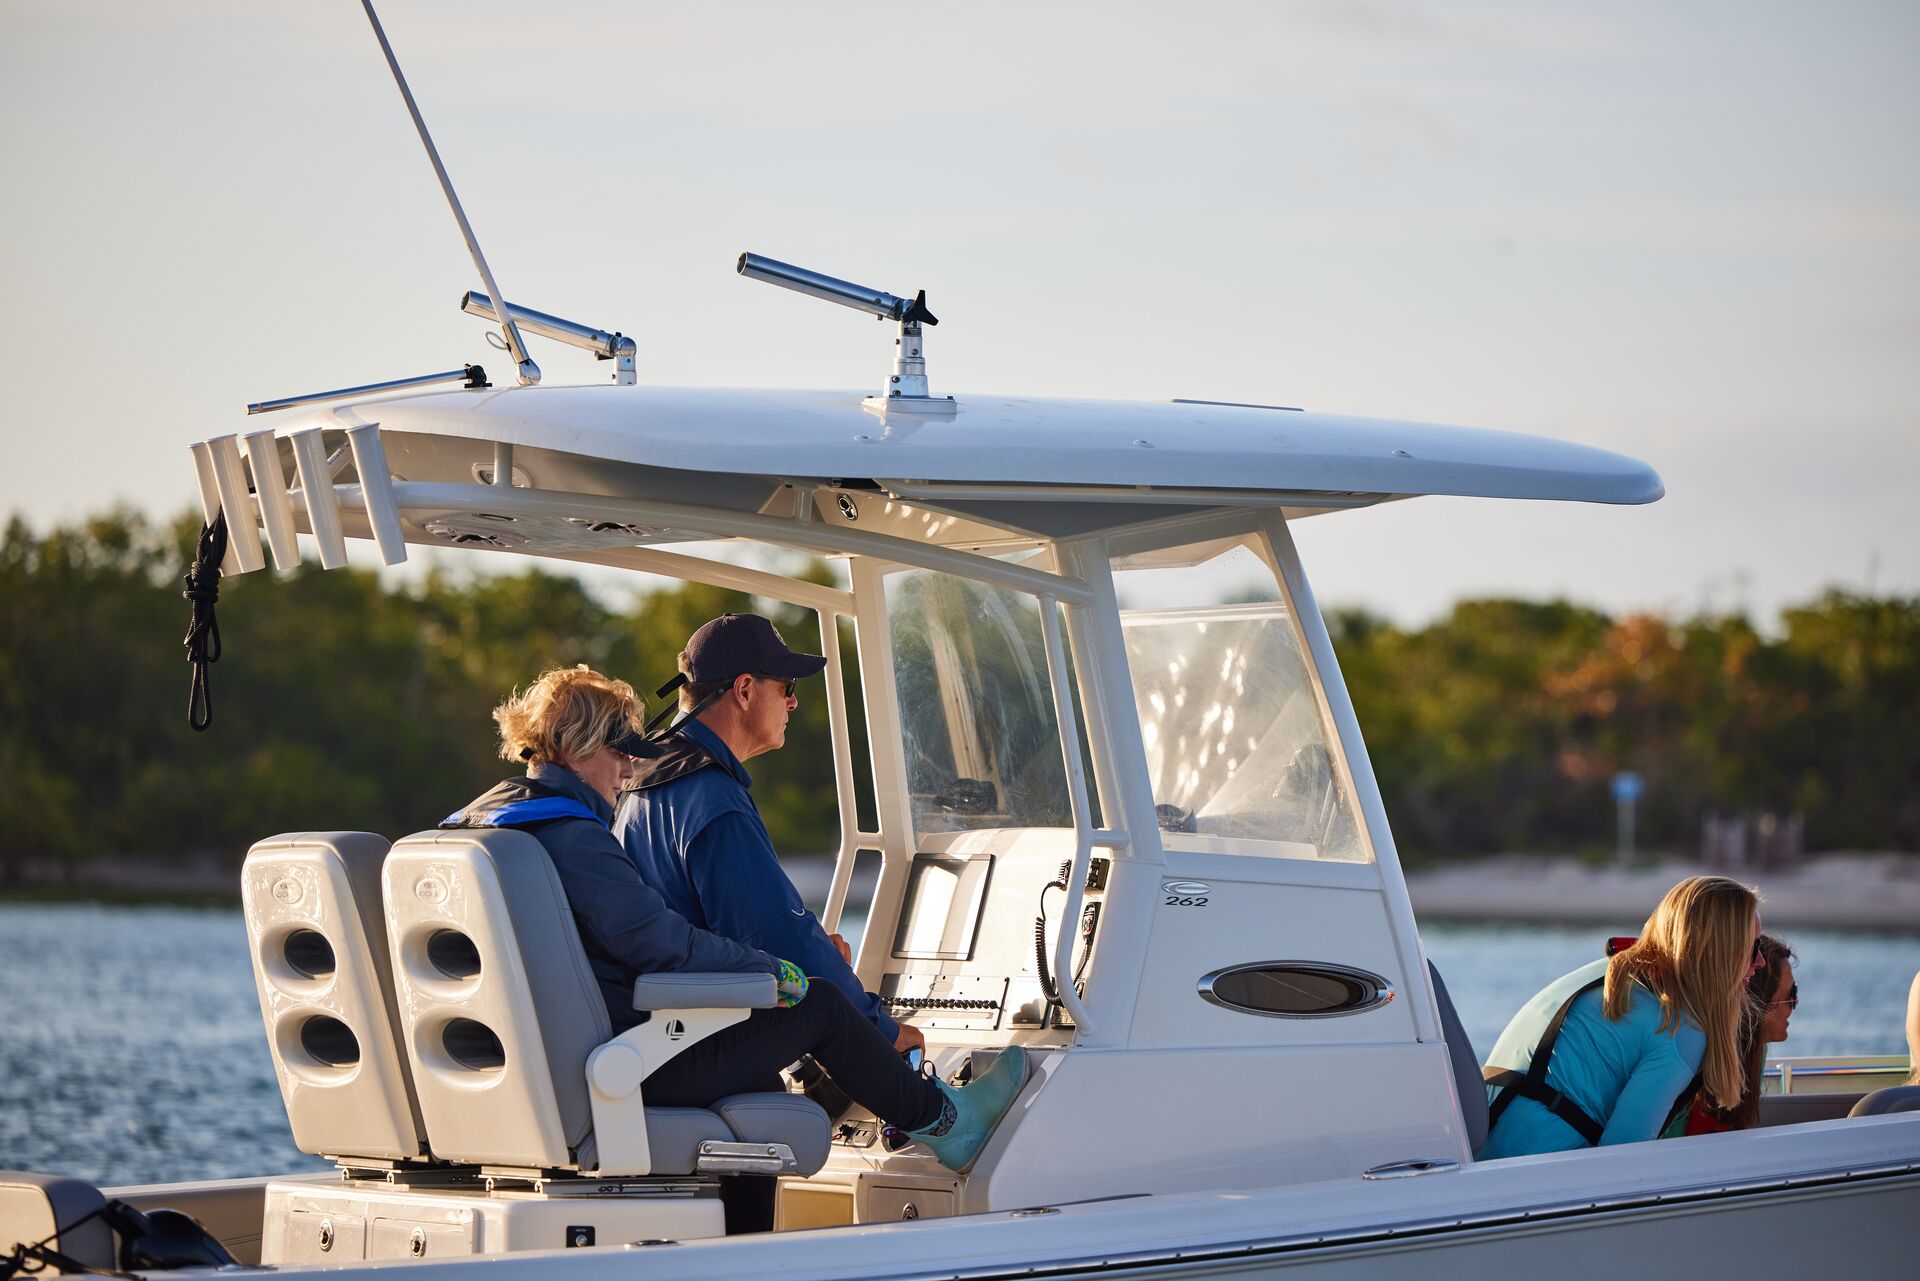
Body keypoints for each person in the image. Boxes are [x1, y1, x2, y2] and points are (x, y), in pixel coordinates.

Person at [442, 665, 1028, 1196]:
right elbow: (660, 945)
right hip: (620, 1060)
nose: (628, 767)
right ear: (574, 747)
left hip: (538, 1066)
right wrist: (776, 971)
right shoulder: (574, 837)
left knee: (764, 1092)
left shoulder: (484, 824)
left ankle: (736, 1252)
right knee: (819, 1004)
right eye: (618, 750)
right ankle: (949, 1123)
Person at [615, 613, 920, 1056]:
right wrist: (883, 1031)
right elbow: (775, 936)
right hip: (699, 1041)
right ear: (743, 690)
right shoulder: (711, 798)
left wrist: (815, 955)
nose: (793, 703)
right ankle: (944, 1118)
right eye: (786, 687)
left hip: (655, 1030)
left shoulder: (641, 780)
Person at [1476, 875, 1761, 1159]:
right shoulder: (1680, 1029)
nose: (1760, 962)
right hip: (1533, 1177)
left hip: (1484, 1155)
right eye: (1753, 949)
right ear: (1720, 955)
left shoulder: (1610, 972)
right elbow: (1623, 1157)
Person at [1681, 934, 1795, 1134]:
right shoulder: (1697, 1050)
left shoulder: (1756, 1048)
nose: (1795, 1004)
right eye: (1791, 995)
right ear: (1762, 1002)